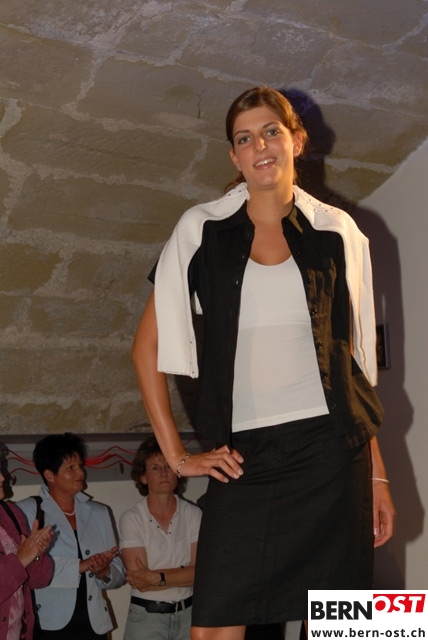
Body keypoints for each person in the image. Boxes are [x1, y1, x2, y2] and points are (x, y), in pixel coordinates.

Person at [131, 86, 396, 640]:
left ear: (296, 140)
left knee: (350, 626)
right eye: (245, 138)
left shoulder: (339, 230)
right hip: (242, 459)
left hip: (333, 454)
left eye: (271, 132)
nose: (260, 146)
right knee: (212, 628)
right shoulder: (200, 229)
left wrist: (377, 474)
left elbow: (354, 366)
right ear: (234, 156)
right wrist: (177, 458)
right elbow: (146, 348)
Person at [17, 433, 125, 640]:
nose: (81, 472)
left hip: (94, 626)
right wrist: (81, 566)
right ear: (50, 475)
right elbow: (25, 569)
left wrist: (104, 572)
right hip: (48, 625)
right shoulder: (28, 512)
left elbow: (118, 570)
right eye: (71, 468)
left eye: (80, 466)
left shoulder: (99, 512)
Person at [119, 435, 202, 640]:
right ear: (143, 477)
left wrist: (158, 578)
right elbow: (139, 579)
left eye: (168, 466)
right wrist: (183, 573)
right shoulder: (132, 518)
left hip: (188, 615)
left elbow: (201, 573)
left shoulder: (194, 514)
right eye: (155, 468)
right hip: (146, 618)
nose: (164, 473)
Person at [0, 464, 53, 640]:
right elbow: (19, 563)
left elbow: (39, 580)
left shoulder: (11, 513)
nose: (2, 478)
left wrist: (36, 553)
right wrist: (20, 560)